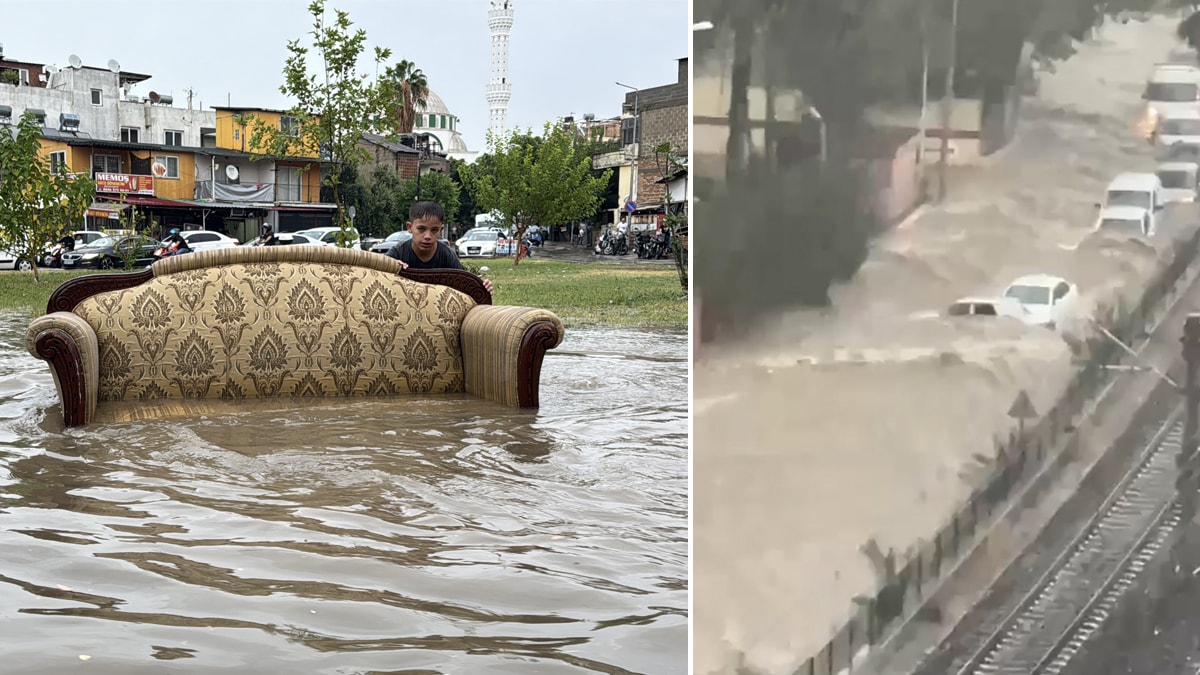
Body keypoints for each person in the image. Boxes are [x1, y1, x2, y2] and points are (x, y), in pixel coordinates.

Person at [386, 200, 494, 294]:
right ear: (410, 227)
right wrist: (389, 267)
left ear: (441, 230)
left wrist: (479, 287)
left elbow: (464, 287)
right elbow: (377, 275)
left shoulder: (447, 255)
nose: (428, 236)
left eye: (434, 230)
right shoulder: (397, 253)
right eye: (421, 229)